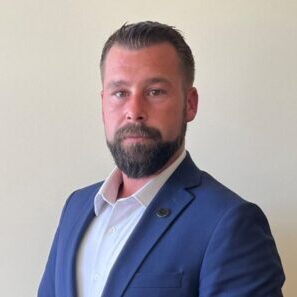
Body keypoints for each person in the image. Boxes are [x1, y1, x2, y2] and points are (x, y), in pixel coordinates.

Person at [38, 21, 285, 297]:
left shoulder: (229, 223)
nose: (134, 111)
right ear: (103, 104)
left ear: (189, 104)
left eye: (155, 91)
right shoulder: (76, 207)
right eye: (120, 93)